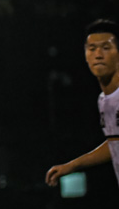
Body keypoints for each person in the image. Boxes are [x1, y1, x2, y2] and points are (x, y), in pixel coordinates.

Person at [46, 19, 119, 190]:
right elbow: (115, 143)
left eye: (106, 48)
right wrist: (70, 166)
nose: (98, 55)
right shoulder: (104, 101)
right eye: (92, 49)